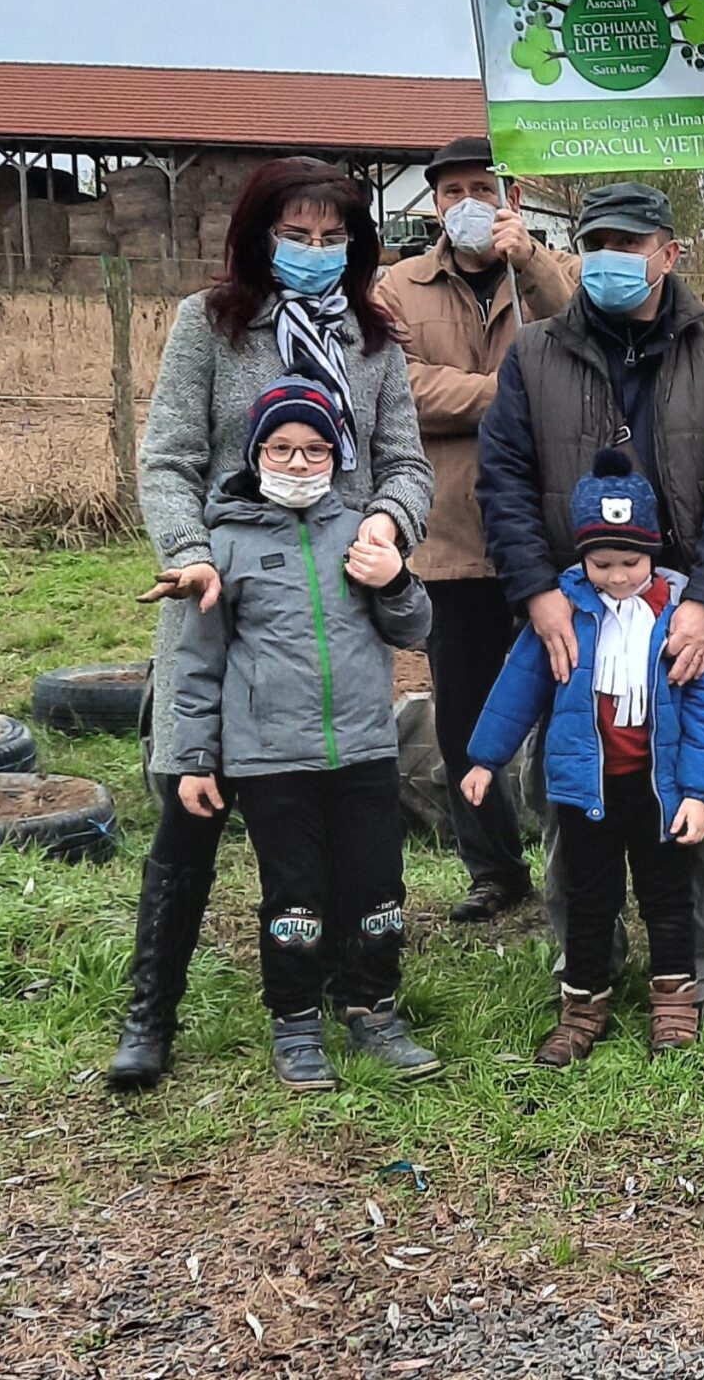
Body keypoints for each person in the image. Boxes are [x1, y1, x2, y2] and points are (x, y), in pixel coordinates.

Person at [111, 157, 433, 1092]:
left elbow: (405, 462)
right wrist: (190, 549)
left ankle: (348, 995)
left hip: (335, 611)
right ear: (259, 236)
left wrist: (388, 522)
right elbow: (167, 456)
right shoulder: (209, 327)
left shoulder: (374, 338)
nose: (315, 252)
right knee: (189, 802)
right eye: (297, 236)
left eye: (334, 239)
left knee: (337, 821)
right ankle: (151, 1009)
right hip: (225, 596)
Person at [475, 179, 704, 1025]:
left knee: (702, 790)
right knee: (575, 791)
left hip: (683, 614)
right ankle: (588, 971)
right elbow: (503, 483)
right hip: (577, 613)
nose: (609, 259)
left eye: (628, 244)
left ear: (668, 254)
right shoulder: (534, 355)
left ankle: (697, 978)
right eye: (595, 242)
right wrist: (538, 594)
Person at [171, 380, 438, 1089]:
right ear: (257, 452)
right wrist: (197, 758)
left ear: (337, 455)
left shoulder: (360, 530)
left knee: (377, 886)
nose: (298, 462)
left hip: (365, 749)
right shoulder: (221, 546)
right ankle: (294, 1020)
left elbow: (413, 630)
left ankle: (373, 1006)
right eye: (282, 448)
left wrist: (396, 579)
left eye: (315, 448)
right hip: (270, 760)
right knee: (295, 893)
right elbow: (195, 665)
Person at [460, 451, 704, 1064]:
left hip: (657, 787)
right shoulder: (562, 611)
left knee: (668, 894)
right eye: (601, 562)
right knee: (588, 896)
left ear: (654, 550)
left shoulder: (681, 617)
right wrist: (485, 758)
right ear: (582, 556)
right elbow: (519, 687)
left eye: (630, 562)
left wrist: (697, 792)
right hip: (586, 789)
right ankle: (583, 1003)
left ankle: (673, 998)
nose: (615, 577)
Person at [374, 134, 580, 923]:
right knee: (464, 710)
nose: (468, 203)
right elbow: (402, 385)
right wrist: (505, 394)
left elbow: (587, 335)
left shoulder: (545, 275)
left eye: (483, 189)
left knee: (567, 699)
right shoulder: (399, 287)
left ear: (512, 200)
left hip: (548, 533)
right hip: (452, 534)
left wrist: (530, 261)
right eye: (453, 190)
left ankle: (573, 853)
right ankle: (493, 868)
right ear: (434, 203)